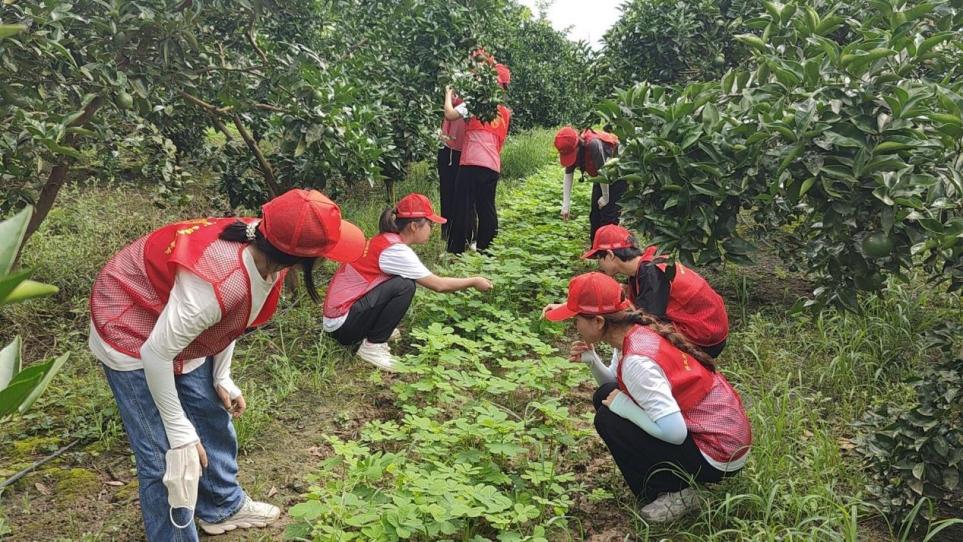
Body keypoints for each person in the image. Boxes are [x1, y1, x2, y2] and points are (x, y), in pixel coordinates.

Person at [89, 189, 365, 540]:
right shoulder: (216, 283)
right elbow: (156, 353)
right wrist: (179, 431)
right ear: (302, 260)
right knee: (169, 459)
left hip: (176, 320)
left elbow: (232, 316)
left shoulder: (267, 247)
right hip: (130, 321)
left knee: (210, 415)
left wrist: (222, 375)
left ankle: (222, 506)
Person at [543, 272, 751, 523]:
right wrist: (592, 360)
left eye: (576, 319)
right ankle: (673, 482)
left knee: (609, 418)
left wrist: (624, 406)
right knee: (605, 396)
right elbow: (613, 383)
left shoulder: (637, 362)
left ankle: (677, 493)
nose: (574, 326)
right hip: (721, 435)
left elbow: (675, 433)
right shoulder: (633, 332)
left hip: (718, 453)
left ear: (598, 321)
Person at [323, 193, 493, 370]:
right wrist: (474, 281)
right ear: (413, 226)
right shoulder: (396, 251)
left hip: (339, 319)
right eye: (430, 225)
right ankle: (373, 347)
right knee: (404, 286)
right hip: (342, 326)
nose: (432, 230)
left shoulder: (384, 240)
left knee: (400, 282)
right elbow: (439, 285)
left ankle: (373, 332)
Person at [572, 224, 729, 358]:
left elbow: (648, 319)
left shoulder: (651, 272)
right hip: (706, 327)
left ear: (610, 255)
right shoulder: (646, 265)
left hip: (706, 337)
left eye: (599, 258)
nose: (599, 264)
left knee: (641, 334)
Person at [444, 62, 512, 254]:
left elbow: (449, 114)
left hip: (471, 161)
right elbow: (501, 140)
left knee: (462, 205)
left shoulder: (475, 103)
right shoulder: (505, 113)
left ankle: (456, 250)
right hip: (492, 164)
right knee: (487, 207)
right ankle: (486, 249)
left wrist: (448, 94)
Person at [553, 126, 625, 243]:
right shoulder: (571, 149)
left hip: (616, 176)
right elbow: (568, 173)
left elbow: (603, 172)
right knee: (595, 217)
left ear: (577, 145)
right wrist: (565, 205)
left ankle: (609, 249)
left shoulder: (593, 145)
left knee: (609, 218)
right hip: (600, 179)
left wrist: (606, 197)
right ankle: (595, 249)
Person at [437, 88, 467, 239]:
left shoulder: (471, 102)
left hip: (464, 151)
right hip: (447, 148)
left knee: (462, 193)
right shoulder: (456, 97)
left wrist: (448, 93)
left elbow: (449, 114)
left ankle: (461, 233)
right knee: (447, 191)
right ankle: (447, 231)